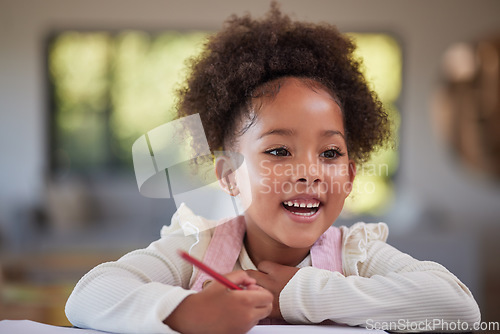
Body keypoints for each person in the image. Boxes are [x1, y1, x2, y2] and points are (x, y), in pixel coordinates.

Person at [65, 4, 480, 334]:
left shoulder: (355, 254)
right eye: (280, 151)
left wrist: (300, 295)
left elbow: (459, 310)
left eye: (330, 154)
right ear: (228, 175)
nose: (308, 172)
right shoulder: (200, 248)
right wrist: (185, 313)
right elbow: (88, 296)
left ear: (350, 177)